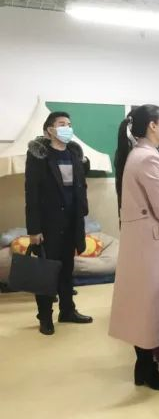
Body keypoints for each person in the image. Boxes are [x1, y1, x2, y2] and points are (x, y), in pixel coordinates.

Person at [109, 105, 159, 391]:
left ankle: (144, 365)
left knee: (143, 303)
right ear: (152, 126)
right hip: (148, 240)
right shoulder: (147, 158)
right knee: (149, 304)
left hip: (142, 238)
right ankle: (146, 366)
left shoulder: (140, 154)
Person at [23, 111, 93, 335]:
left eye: (69, 124)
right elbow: (31, 193)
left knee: (67, 269)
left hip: (72, 221)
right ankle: (45, 316)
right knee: (47, 272)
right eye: (62, 124)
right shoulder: (39, 156)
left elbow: (80, 185)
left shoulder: (74, 153)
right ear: (50, 130)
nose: (67, 128)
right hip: (48, 224)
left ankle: (67, 310)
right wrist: (34, 229)